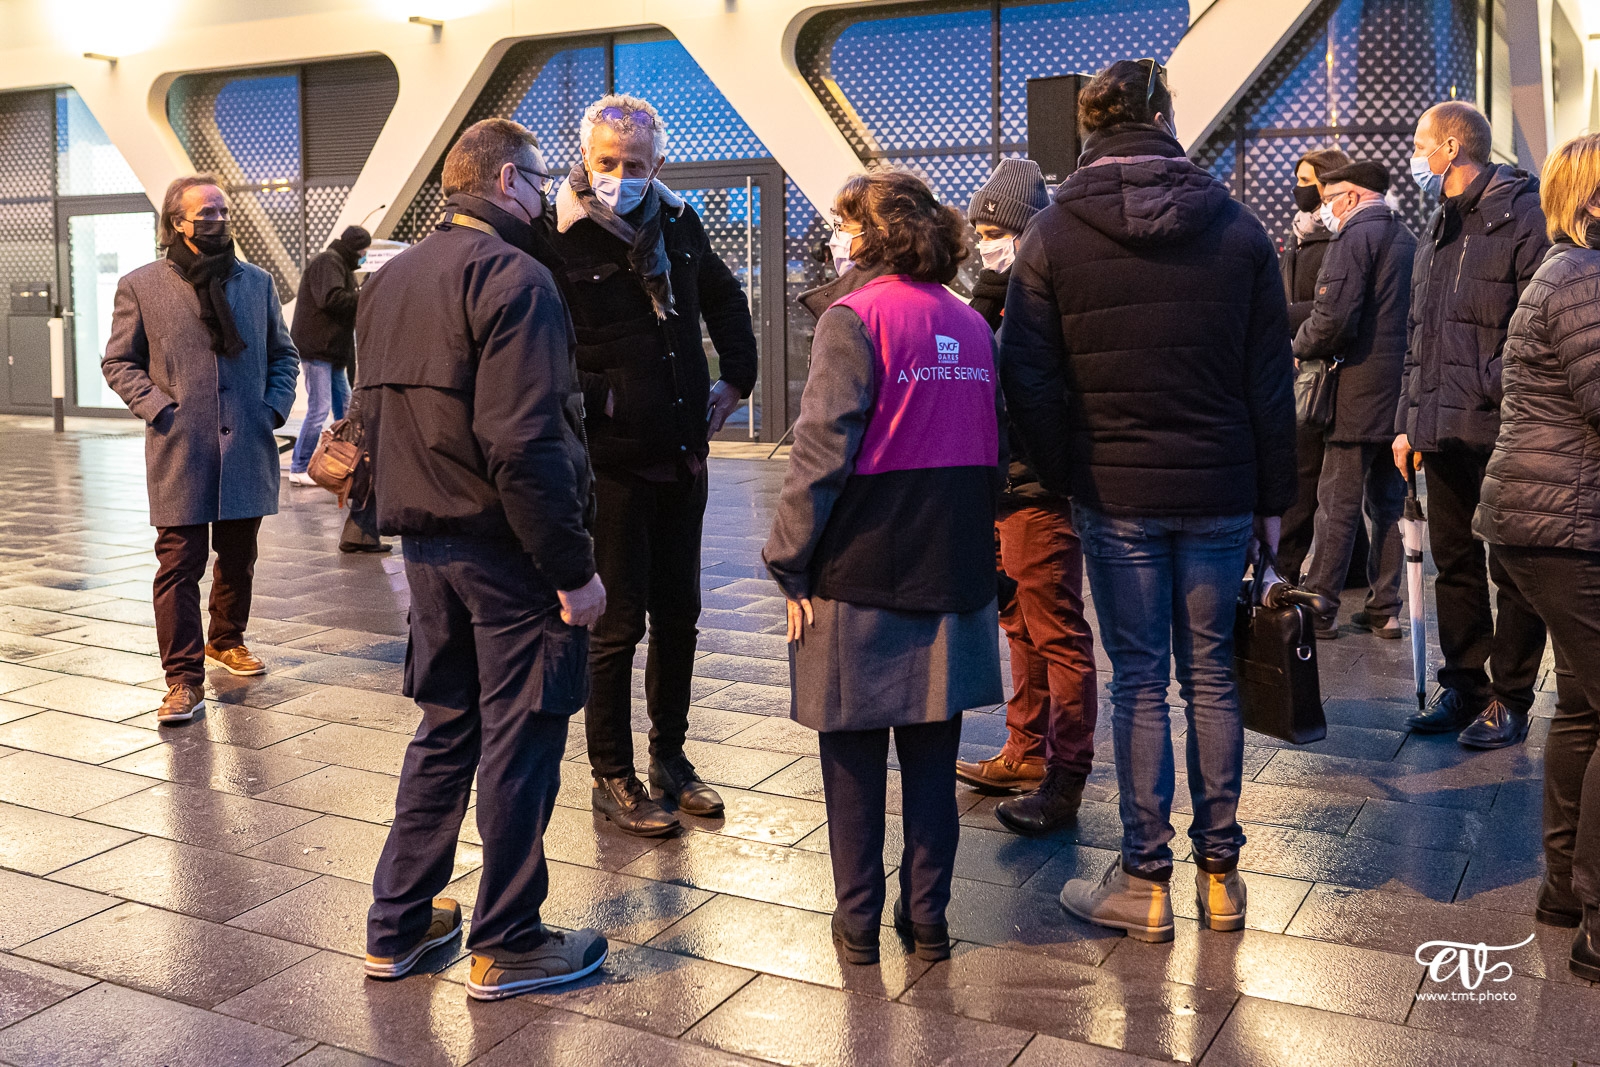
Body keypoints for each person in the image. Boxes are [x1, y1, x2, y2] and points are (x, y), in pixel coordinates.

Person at [1001, 59, 1295, 943]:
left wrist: (1067, 471)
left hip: (1114, 489)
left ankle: (1145, 880)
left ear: (1089, 130)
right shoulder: (1239, 229)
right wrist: (1274, 497)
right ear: (1164, 119)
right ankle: (1222, 880)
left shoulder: (1051, 234)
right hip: (1220, 485)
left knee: (1139, 680)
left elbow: (1027, 378)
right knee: (1211, 673)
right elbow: (1270, 381)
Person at [356, 118, 608, 1000]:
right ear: (506, 181)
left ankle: (397, 924)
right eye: (540, 180)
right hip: (509, 553)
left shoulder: (391, 278)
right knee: (520, 739)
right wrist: (573, 570)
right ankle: (508, 939)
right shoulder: (516, 276)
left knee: (445, 728)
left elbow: (373, 417)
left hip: (425, 550)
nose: (546, 197)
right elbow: (524, 441)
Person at [765, 170, 1003, 966]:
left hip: (861, 564)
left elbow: (819, 452)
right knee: (934, 756)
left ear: (875, 234)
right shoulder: (970, 322)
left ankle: (858, 921)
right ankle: (928, 918)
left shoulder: (854, 318)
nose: (837, 235)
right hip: (952, 560)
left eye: (845, 221)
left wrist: (788, 560)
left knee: (853, 753)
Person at [551, 94, 759, 836]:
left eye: (634, 164)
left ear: (657, 163)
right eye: (606, 162)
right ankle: (611, 773)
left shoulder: (677, 221)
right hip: (610, 461)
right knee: (615, 624)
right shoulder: (556, 235)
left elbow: (724, 299)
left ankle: (670, 756)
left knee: (680, 615)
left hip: (681, 455)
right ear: (585, 158)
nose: (619, 176)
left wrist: (737, 380)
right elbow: (542, 341)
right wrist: (599, 397)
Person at [102, 175, 299, 725]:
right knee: (179, 564)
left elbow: (284, 355)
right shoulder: (141, 285)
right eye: (205, 213)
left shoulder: (256, 283)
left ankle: (226, 639)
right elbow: (119, 361)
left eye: (222, 211)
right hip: (180, 446)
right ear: (177, 223)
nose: (217, 220)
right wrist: (160, 409)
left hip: (246, 442)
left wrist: (271, 408)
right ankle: (183, 680)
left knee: (238, 556)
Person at [1473, 131, 1600, 981]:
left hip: (1543, 518)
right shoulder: (1584, 277)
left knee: (1585, 706)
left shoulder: (1566, 271)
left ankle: (1563, 889)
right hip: (1563, 523)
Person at [1395, 100, 1549, 748]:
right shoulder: (1440, 221)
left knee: (1511, 568)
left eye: (1420, 144)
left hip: (1501, 426)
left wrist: (1485, 383)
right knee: (1454, 561)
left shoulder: (1524, 214)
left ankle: (1510, 698)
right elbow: (1419, 334)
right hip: (1440, 428)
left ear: (1452, 148)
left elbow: (1535, 328)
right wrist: (1408, 421)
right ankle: (1465, 685)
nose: (1415, 156)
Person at [954, 158, 1099, 836]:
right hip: (1003, 483)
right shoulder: (999, 292)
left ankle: (1062, 768)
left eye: (996, 233)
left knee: (1055, 628)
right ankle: (1025, 749)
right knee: (1020, 623)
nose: (986, 244)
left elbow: (1030, 385)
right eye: (979, 233)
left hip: (1037, 485)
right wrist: (988, 290)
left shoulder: (1051, 296)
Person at [1292, 161, 1416, 639]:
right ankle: (1386, 609)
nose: (1325, 207)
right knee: (1387, 506)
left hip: (1355, 397)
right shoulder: (1407, 238)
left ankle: (1320, 609)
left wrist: (1299, 344)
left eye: (1330, 198)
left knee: (1336, 505)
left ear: (1351, 196)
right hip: (1397, 398)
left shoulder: (1352, 238)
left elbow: (1333, 319)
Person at [1278, 147, 1351, 583]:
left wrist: (1284, 318)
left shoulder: (1337, 239)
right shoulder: (1301, 235)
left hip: (1322, 367)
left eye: (1306, 180)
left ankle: (1284, 566)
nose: (1298, 189)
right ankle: (1354, 567)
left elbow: (1329, 306)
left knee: (1305, 473)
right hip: (1304, 361)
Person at [288, 224, 369, 487]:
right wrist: (363, 295)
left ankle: (342, 462)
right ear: (355, 249)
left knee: (345, 409)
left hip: (332, 351)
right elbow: (332, 298)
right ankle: (299, 466)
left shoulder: (339, 265)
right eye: (363, 252)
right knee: (319, 408)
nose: (364, 257)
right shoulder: (328, 262)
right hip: (318, 349)